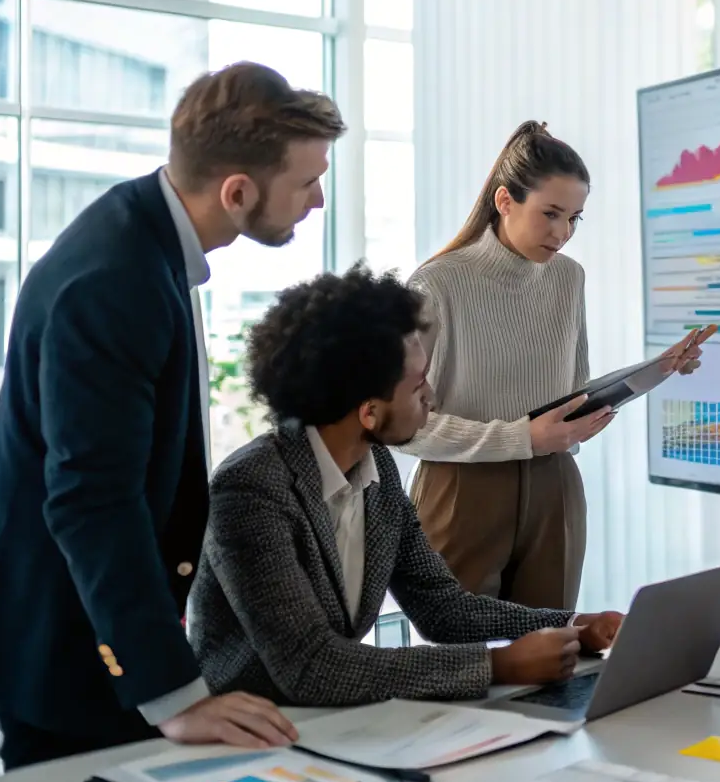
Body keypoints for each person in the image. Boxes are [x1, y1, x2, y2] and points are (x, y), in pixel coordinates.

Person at [0, 62, 345, 769]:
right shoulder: (116, 281)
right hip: (61, 635)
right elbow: (91, 501)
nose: (318, 200)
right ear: (237, 191)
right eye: (307, 182)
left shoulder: (141, 235)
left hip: (95, 622)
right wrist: (176, 696)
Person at [188, 265, 624, 706]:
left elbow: (443, 608)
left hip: (329, 717)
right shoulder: (251, 489)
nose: (431, 398)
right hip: (250, 722)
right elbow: (311, 666)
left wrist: (572, 625)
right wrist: (497, 665)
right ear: (369, 412)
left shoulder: (374, 466)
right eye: (418, 387)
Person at [402, 121, 705, 609]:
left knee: (553, 643)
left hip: (555, 486)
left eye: (574, 219)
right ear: (505, 201)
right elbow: (403, 429)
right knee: (460, 649)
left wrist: (658, 370)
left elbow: (571, 396)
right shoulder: (437, 285)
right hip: (460, 486)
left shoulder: (568, 279)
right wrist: (522, 438)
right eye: (550, 214)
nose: (562, 233)